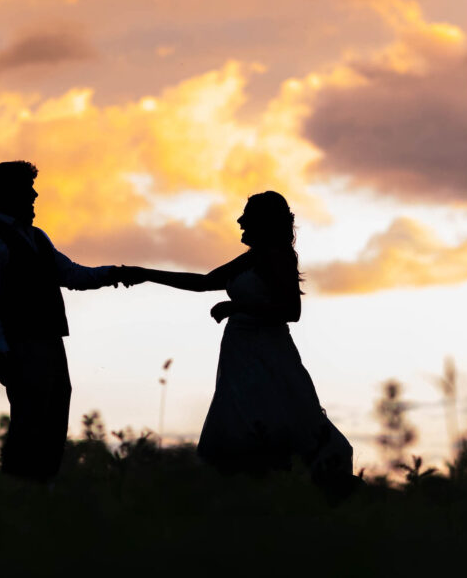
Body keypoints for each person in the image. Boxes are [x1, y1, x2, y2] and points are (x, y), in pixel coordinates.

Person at [121, 191, 353, 488]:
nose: (240, 221)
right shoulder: (253, 257)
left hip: (268, 359)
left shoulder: (277, 256)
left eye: (248, 216)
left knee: (269, 427)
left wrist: (237, 307)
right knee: (240, 429)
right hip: (241, 358)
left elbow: (290, 311)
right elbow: (204, 282)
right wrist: (145, 274)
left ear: (264, 223)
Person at [0, 161, 124, 482]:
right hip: (20, 348)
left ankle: (42, 492)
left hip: (51, 344)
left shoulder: (37, 237)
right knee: (28, 425)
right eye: (28, 188)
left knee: (53, 422)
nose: (35, 195)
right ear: (7, 194)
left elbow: (73, 274)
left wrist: (116, 274)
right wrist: (0, 352)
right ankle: (16, 493)